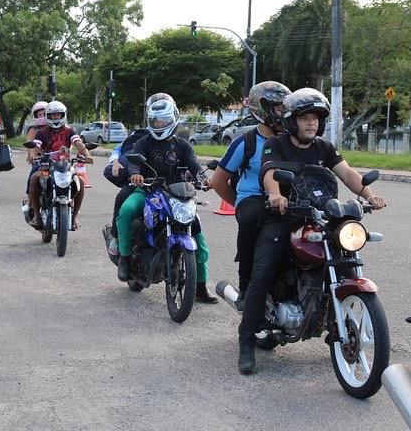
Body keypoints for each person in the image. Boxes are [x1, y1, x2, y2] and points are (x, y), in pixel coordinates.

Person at [238, 88, 385, 374]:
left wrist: (368, 195)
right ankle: (246, 338)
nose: (312, 124)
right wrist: (275, 194)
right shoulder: (275, 143)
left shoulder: (324, 148)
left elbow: (348, 174)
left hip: (319, 217)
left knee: (344, 259)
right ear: (292, 120)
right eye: (305, 118)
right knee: (264, 270)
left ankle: (334, 321)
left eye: (316, 118)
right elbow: (270, 173)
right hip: (283, 216)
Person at [115, 95, 219, 304]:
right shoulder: (144, 142)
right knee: (126, 210)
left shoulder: (182, 145)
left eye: (163, 120)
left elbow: (194, 166)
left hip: (178, 194)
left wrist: (203, 178)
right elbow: (134, 161)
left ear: (173, 119)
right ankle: (124, 258)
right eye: (156, 121)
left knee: (199, 239)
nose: (159, 124)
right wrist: (135, 174)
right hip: (147, 191)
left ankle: (200, 286)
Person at [210, 81, 290, 309]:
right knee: (250, 217)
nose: (283, 114)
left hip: (285, 199)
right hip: (253, 198)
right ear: (262, 109)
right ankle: (245, 288)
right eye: (278, 108)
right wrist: (239, 203)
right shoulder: (244, 143)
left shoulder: (290, 140)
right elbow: (218, 181)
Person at [103, 93, 172, 252]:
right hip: (144, 183)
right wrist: (116, 161)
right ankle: (116, 238)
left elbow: (189, 160)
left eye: (164, 115)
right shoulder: (142, 136)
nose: (160, 120)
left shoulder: (178, 140)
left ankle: (200, 275)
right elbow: (123, 149)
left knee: (195, 225)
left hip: (171, 188)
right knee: (124, 199)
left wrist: (198, 176)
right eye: (157, 115)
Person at [27, 100, 93, 230]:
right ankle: (36, 215)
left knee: (79, 180)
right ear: (48, 116)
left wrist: (87, 155)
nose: (56, 117)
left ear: (63, 115)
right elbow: (36, 145)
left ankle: (74, 217)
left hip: (65, 166)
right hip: (46, 166)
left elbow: (78, 143)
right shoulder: (42, 132)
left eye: (58, 114)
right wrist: (34, 155)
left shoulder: (69, 131)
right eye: (53, 115)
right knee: (35, 178)